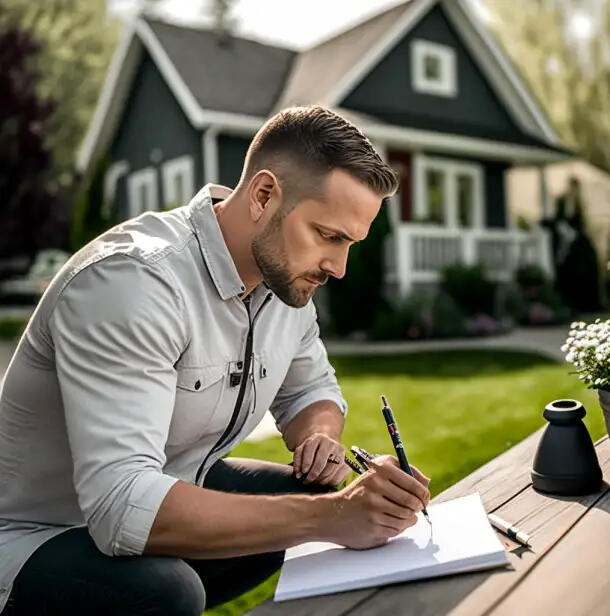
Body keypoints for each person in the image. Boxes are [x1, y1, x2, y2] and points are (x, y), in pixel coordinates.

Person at [0, 105, 431, 615]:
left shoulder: (282, 284)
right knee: (168, 591)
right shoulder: (133, 283)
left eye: (350, 244)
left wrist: (318, 435)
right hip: (34, 533)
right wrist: (330, 517)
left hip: (169, 488)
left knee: (299, 491)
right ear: (265, 195)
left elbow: (313, 389)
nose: (338, 267)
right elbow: (120, 506)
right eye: (329, 236)